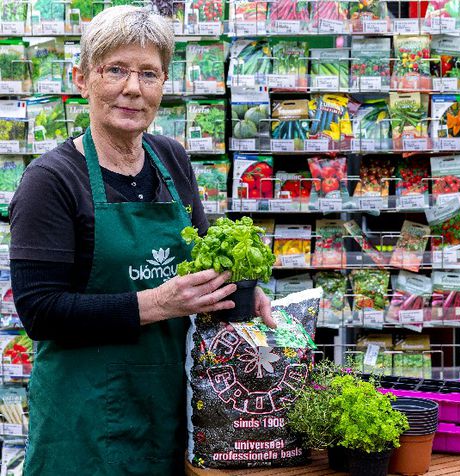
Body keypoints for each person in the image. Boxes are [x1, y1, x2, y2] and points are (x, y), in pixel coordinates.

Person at [8, 6, 274, 475]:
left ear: (164, 85)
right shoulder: (50, 180)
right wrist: (157, 302)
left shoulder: (171, 159)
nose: (133, 88)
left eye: (148, 73)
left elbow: (204, 252)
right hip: (82, 423)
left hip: (166, 408)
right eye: (116, 70)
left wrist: (242, 292)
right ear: (83, 79)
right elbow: (40, 311)